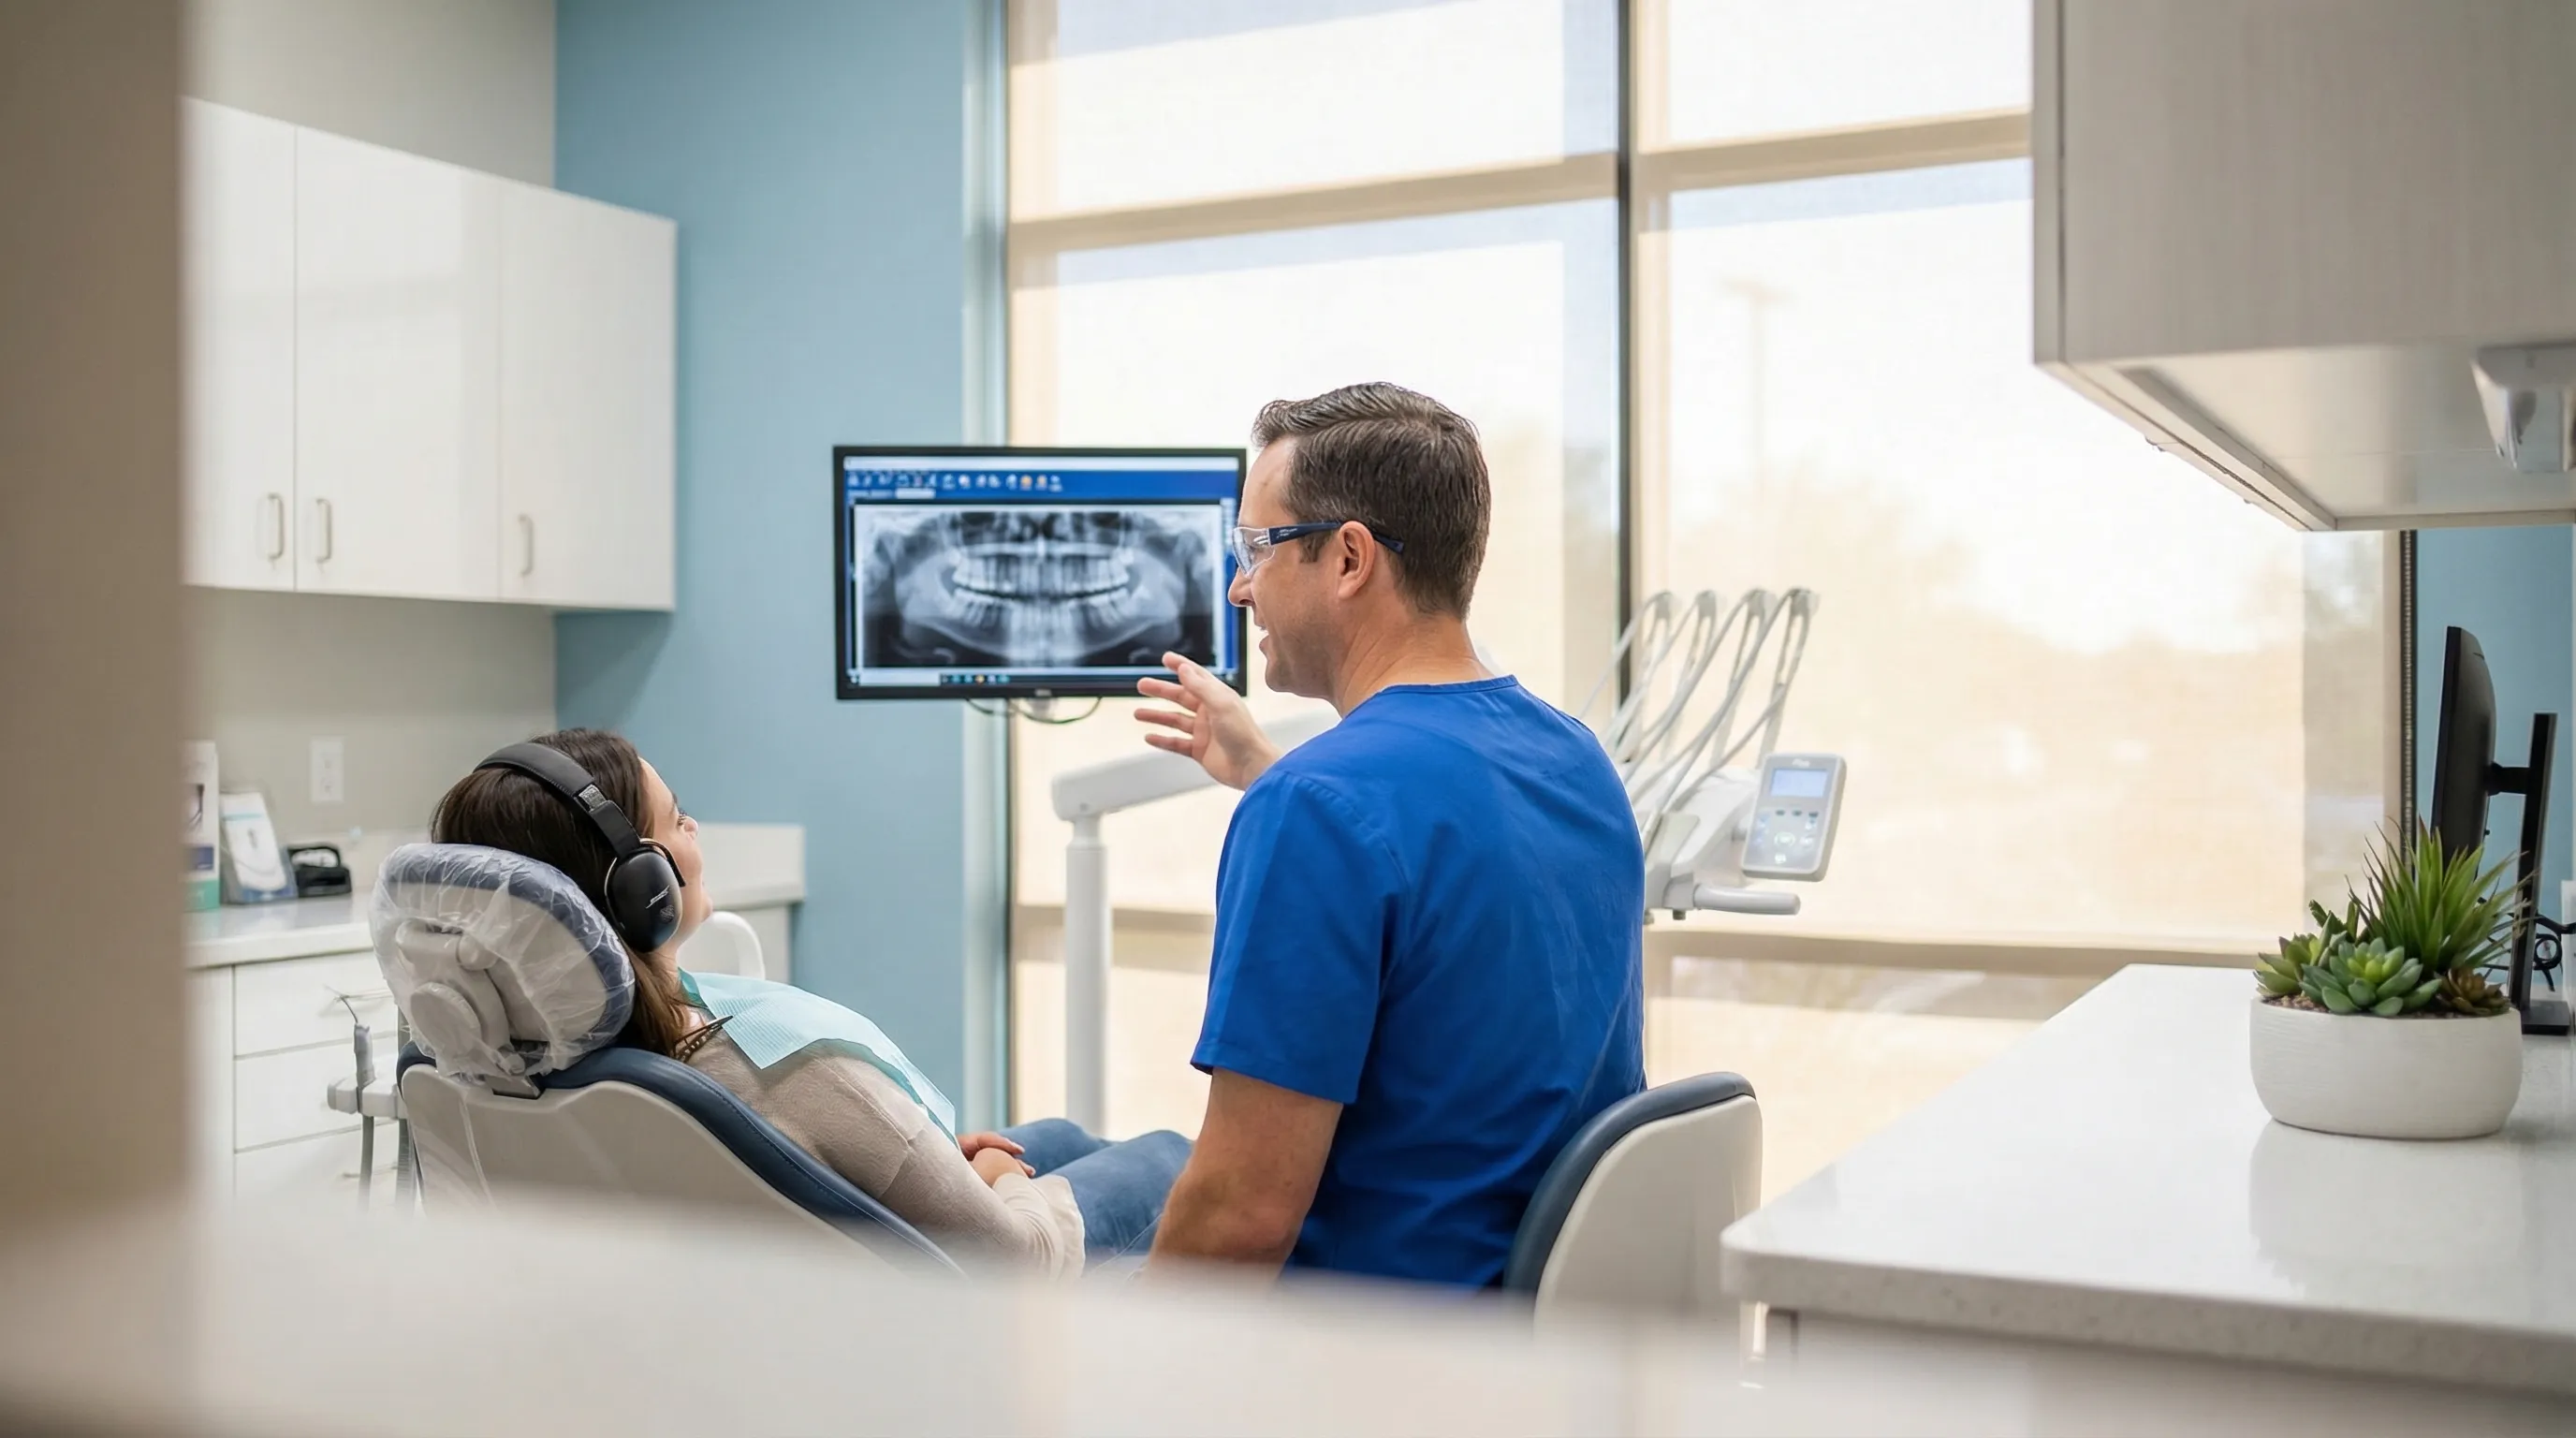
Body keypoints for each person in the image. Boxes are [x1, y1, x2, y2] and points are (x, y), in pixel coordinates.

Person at [1134, 383, 1646, 1288]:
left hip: (1367, 1358)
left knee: (1036, 1192)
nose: (1238, 586)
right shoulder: (1573, 757)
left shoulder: (1319, 805)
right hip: (1515, 1336)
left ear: (1348, 559)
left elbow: (1240, 1222)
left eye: (1257, 547)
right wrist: (1268, 771)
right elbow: (1438, 877)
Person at [428, 727, 1185, 1278]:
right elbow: (1021, 1262)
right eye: (674, 820)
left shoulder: (519, 1061)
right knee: (1167, 1155)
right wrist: (999, 1180)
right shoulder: (787, 1074)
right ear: (639, 890)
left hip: (728, 1310)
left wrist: (936, 1165)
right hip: (938, 1320)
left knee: (1059, 1133)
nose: (694, 829)